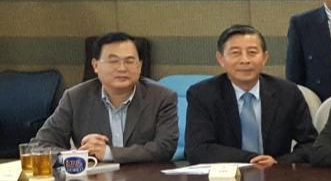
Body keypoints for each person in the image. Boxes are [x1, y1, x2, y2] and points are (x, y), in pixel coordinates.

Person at [29, 31, 178, 163]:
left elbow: (164, 148)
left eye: (129, 61)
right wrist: (74, 156)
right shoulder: (75, 98)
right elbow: (38, 146)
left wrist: (108, 153)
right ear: (95, 66)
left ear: (139, 66)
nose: (122, 68)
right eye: (113, 61)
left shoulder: (162, 97)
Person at [186, 24, 316, 166]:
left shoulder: (287, 93)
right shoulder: (203, 94)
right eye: (235, 53)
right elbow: (198, 149)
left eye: (252, 52)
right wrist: (251, 159)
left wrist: (278, 162)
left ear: (265, 58)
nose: (245, 60)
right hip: (224, 179)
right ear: (221, 59)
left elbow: (311, 144)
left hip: (276, 178)